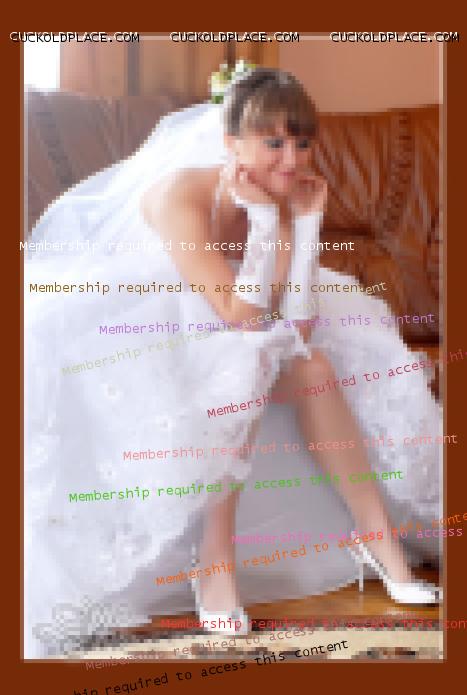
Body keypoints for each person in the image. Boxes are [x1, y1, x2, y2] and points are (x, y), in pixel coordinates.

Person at [24, 68, 441, 658]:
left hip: (244, 320)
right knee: (246, 363)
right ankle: (213, 563)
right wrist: (266, 222)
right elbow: (237, 315)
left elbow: (297, 325)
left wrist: (305, 223)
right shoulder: (178, 196)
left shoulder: (285, 198)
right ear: (231, 144)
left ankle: (380, 543)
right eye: (274, 142)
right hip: (154, 325)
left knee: (314, 368)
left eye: (303, 142)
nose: (292, 160)